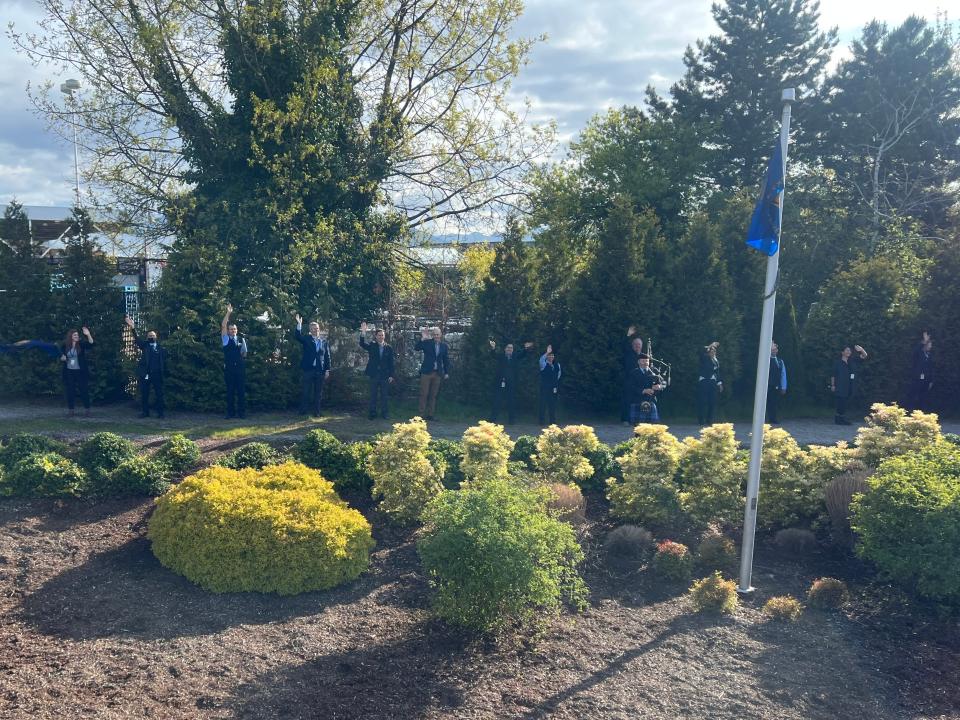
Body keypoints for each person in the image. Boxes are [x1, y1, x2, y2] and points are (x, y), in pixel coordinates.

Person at [126, 315, 166, 418]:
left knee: (159, 394)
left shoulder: (161, 348)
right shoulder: (145, 345)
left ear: (156, 337)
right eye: (149, 335)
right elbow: (137, 339)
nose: (151, 336)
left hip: (157, 374)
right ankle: (145, 412)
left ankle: (160, 413)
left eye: (153, 335)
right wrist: (132, 327)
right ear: (147, 337)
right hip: (146, 374)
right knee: (145, 394)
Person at [295, 314, 331, 417]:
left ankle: (317, 412)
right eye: (313, 329)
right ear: (310, 330)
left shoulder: (323, 341)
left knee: (318, 393)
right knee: (306, 391)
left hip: (320, 370)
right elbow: (297, 336)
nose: (316, 330)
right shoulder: (306, 339)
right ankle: (303, 412)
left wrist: (327, 370)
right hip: (308, 369)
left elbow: (327, 356)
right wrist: (299, 325)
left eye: (317, 328)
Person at [489, 339, 534, 424]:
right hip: (500, 382)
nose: (510, 349)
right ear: (505, 349)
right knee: (497, 400)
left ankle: (511, 420)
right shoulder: (501, 356)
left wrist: (526, 348)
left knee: (511, 401)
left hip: (511, 383)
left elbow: (523, 355)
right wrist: (493, 348)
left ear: (513, 350)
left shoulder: (515, 356)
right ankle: (492, 419)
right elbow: (493, 355)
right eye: (508, 348)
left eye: (511, 348)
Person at [359, 322, 395, 419]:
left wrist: (391, 375)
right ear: (376, 336)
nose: (381, 337)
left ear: (384, 336)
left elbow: (391, 363)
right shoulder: (372, 345)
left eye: (382, 335)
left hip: (385, 375)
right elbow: (362, 344)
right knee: (373, 395)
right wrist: (363, 332)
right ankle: (372, 413)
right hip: (374, 374)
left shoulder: (389, 348)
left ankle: (385, 413)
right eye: (379, 335)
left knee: (384, 396)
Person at [414, 327, 450, 420]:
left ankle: (430, 415)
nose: (436, 336)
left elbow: (446, 360)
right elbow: (416, 348)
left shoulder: (444, 346)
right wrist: (422, 339)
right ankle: (420, 415)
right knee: (424, 394)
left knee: (433, 395)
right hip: (426, 372)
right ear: (432, 335)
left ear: (440, 335)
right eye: (434, 335)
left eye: (437, 334)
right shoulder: (427, 343)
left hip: (437, 373)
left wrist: (446, 372)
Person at [221, 304, 248, 419]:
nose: (233, 331)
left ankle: (241, 413)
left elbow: (244, 353)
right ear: (228, 330)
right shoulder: (226, 339)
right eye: (231, 329)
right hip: (230, 369)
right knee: (230, 391)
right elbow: (223, 325)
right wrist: (228, 313)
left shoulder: (241, 339)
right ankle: (230, 413)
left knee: (241, 391)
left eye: (235, 329)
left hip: (240, 369)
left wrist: (242, 356)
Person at [831, 343, 868, 425]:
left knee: (845, 402)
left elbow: (865, 356)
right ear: (842, 352)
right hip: (840, 385)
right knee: (840, 402)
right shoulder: (837, 363)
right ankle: (839, 419)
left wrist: (861, 350)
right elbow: (833, 375)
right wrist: (833, 385)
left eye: (850, 350)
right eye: (847, 350)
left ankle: (841, 418)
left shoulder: (852, 361)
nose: (849, 352)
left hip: (850, 386)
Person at [60, 327, 94, 416]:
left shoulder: (81, 344)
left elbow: (91, 344)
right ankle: (71, 411)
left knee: (84, 390)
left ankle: (87, 410)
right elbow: (61, 356)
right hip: (69, 371)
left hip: (80, 371)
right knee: (70, 391)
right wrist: (62, 358)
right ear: (70, 336)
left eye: (77, 335)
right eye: (75, 335)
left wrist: (88, 334)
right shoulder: (65, 345)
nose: (76, 336)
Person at [628, 353, 664, 424]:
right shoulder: (633, 373)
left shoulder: (654, 372)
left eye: (647, 361)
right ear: (638, 362)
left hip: (651, 401)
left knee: (652, 427)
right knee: (638, 428)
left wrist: (658, 387)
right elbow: (630, 387)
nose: (646, 363)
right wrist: (643, 390)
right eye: (643, 361)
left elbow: (661, 385)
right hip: (637, 401)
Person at [620, 327, 644, 423]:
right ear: (632, 345)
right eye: (635, 344)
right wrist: (628, 335)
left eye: (639, 344)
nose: (637, 346)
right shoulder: (629, 353)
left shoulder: (643, 356)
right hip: (629, 381)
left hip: (639, 382)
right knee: (627, 400)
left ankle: (637, 419)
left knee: (639, 400)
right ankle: (625, 419)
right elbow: (624, 345)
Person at [697, 341, 723, 425]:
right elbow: (701, 350)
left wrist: (719, 384)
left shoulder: (716, 361)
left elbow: (717, 372)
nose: (713, 353)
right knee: (703, 401)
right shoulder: (704, 358)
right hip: (704, 381)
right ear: (708, 353)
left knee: (712, 402)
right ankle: (701, 420)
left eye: (714, 352)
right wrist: (710, 345)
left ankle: (710, 420)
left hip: (712, 382)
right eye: (711, 352)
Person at [907, 331, 933, 411]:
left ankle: (922, 413)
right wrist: (924, 341)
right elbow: (916, 351)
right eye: (929, 345)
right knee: (914, 395)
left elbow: (931, 368)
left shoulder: (929, 355)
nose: (931, 347)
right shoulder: (919, 353)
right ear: (925, 345)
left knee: (923, 397)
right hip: (917, 379)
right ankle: (911, 412)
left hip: (926, 380)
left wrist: (931, 380)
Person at [538, 345, 561, 425]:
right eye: (549, 355)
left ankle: (552, 421)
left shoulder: (557, 365)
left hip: (554, 388)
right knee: (543, 404)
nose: (551, 357)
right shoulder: (543, 364)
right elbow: (541, 359)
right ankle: (541, 421)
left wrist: (554, 383)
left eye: (552, 355)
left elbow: (558, 375)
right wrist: (547, 352)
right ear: (547, 357)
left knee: (553, 405)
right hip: (544, 388)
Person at [766, 341, 787, 424]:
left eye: (775, 349)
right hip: (767, 385)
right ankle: (767, 417)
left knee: (774, 402)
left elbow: (783, 374)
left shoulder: (780, 361)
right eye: (772, 349)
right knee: (767, 402)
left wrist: (783, 387)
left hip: (776, 385)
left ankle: (773, 418)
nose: (774, 351)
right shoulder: (766, 360)